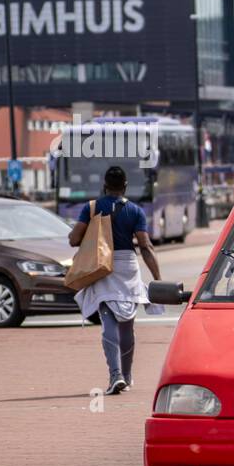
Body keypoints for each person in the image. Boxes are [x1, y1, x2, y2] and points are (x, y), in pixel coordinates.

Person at [68, 165, 163, 395]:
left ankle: (115, 375)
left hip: (103, 265)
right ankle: (127, 377)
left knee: (108, 319)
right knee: (127, 322)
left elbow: (74, 239)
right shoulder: (136, 211)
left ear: (104, 185)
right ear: (125, 186)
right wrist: (157, 278)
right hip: (127, 265)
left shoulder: (91, 208)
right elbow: (145, 246)